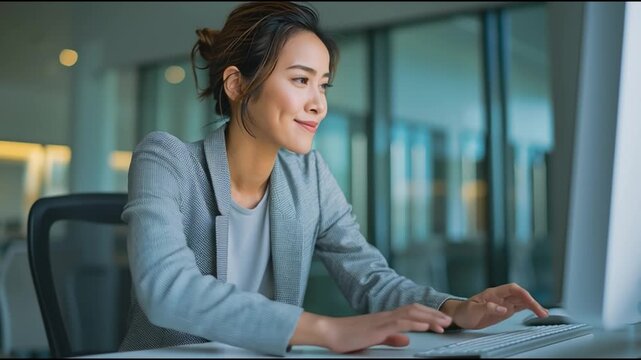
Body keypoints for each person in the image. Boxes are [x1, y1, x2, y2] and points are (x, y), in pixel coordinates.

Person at [120, 1, 549, 356]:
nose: (318, 104)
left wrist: (456, 310)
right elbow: (166, 289)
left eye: (322, 85)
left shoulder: (310, 177)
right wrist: (325, 330)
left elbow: (370, 279)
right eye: (301, 80)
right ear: (235, 83)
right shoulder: (166, 159)